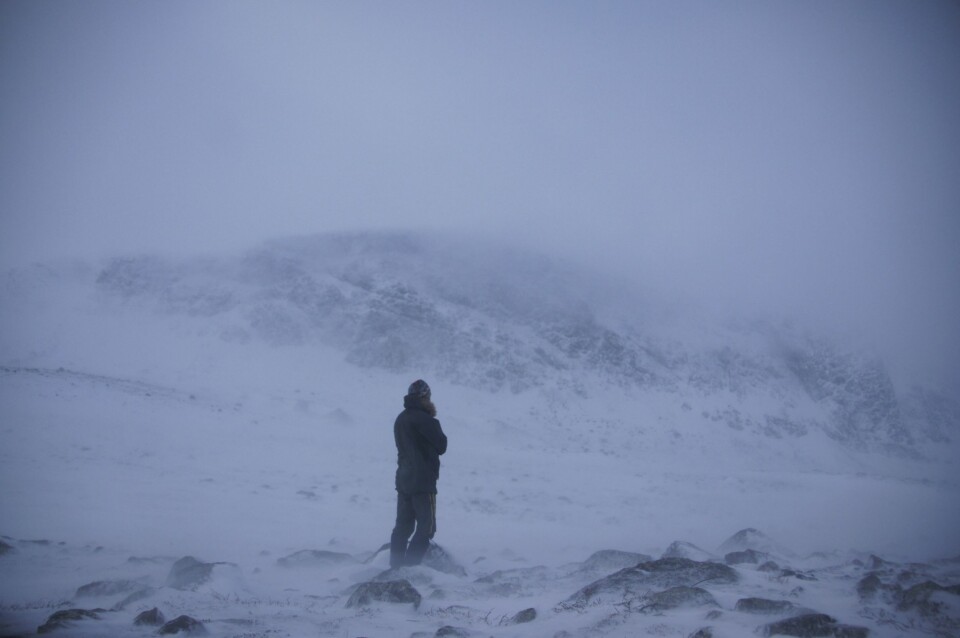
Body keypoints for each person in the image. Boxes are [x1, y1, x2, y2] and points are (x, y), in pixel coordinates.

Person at [390, 379, 447, 568]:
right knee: (426, 527)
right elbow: (442, 445)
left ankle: (395, 566)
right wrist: (432, 417)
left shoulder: (401, 418)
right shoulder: (425, 419)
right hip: (423, 482)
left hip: (404, 480)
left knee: (403, 527)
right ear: (425, 397)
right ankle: (411, 568)